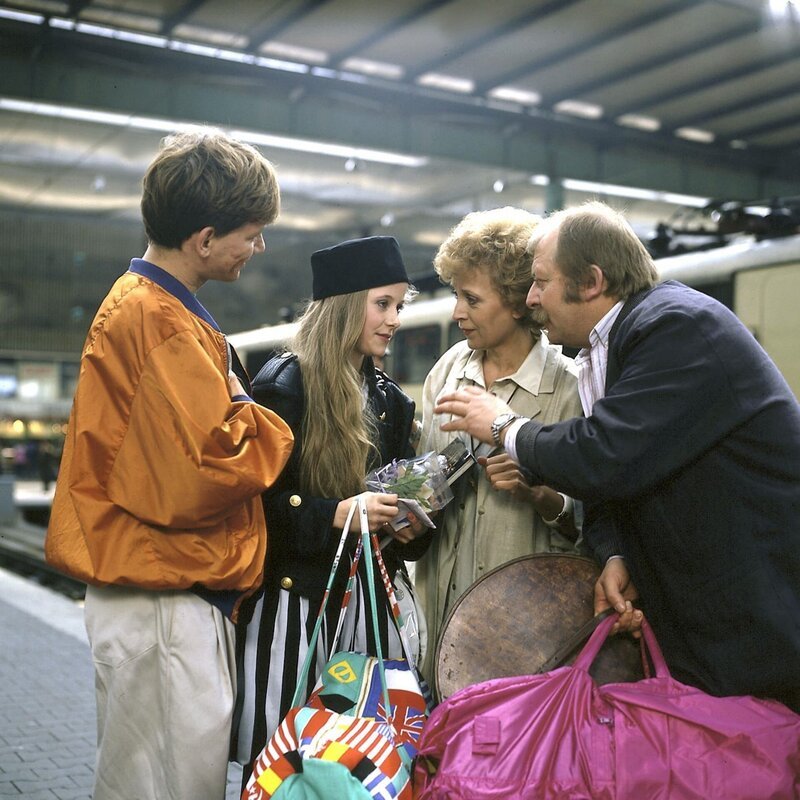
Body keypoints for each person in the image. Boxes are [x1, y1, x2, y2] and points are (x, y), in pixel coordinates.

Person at [433, 200, 800, 711]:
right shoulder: (608, 348)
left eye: (541, 282)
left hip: (761, 614)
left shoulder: (676, 327)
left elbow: (604, 454)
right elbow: (618, 481)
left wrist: (502, 425)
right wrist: (616, 552)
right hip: (717, 618)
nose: (532, 298)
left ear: (590, 282)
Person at [45, 129, 295, 800]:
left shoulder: (155, 309)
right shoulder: (158, 321)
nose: (259, 246)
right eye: (252, 232)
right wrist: (265, 415)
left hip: (162, 590)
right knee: (167, 787)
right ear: (205, 238)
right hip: (161, 596)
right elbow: (210, 467)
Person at [234, 235, 432, 777]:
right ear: (345, 305)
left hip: (365, 607)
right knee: (281, 763)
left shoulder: (393, 401)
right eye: (382, 304)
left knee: (363, 765)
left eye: (399, 305)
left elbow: (406, 513)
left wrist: (412, 526)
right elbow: (254, 506)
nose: (394, 319)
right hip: (294, 609)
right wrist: (335, 514)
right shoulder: (285, 385)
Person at [414, 207, 583, 683]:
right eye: (455, 295)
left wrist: (541, 496)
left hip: (525, 632)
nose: (456, 312)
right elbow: (428, 476)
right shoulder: (446, 372)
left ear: (516, 301)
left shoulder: (569, 390)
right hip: (441, 616)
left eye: (471, 298)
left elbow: (596, 523)